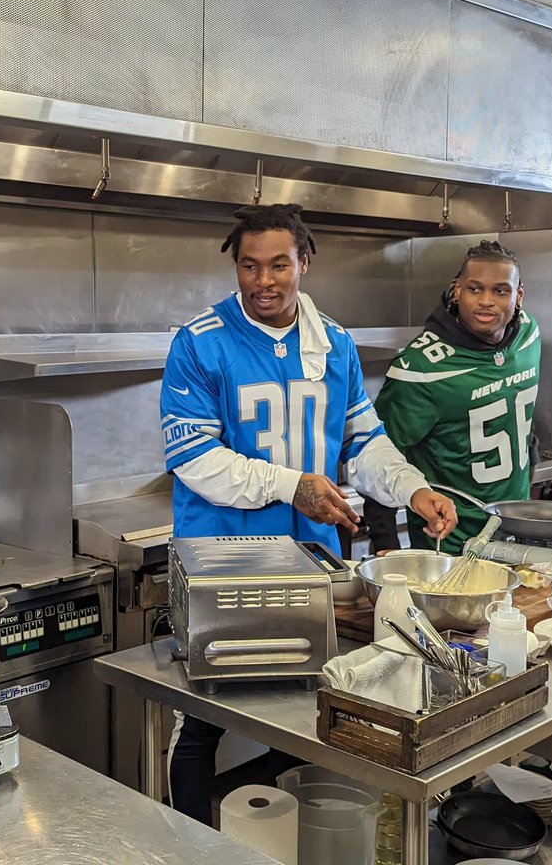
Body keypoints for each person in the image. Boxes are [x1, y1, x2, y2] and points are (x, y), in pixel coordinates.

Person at [160, 203, 457, 825]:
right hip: (227, 566)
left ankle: (284, 839)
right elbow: (195, 460)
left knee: (301, 713)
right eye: (249, 266)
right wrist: (291, 486)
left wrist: (412, 488)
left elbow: (364, 443)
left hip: (315, 564)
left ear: (304, 262)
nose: (263, 281)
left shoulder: (336, 344)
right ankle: (188, 842)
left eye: (278, 265)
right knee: (202, 722)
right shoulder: (200, 343)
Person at [370, 239, 541, 555]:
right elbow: (379, 454)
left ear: (519, 296)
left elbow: (524, 415)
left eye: (500, 291)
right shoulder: (421, 367)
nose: (486, 301)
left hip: (516, 531)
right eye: (475, 289)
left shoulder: (529, 335)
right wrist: (385, 541)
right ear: (456, 291)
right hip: (449, 543)